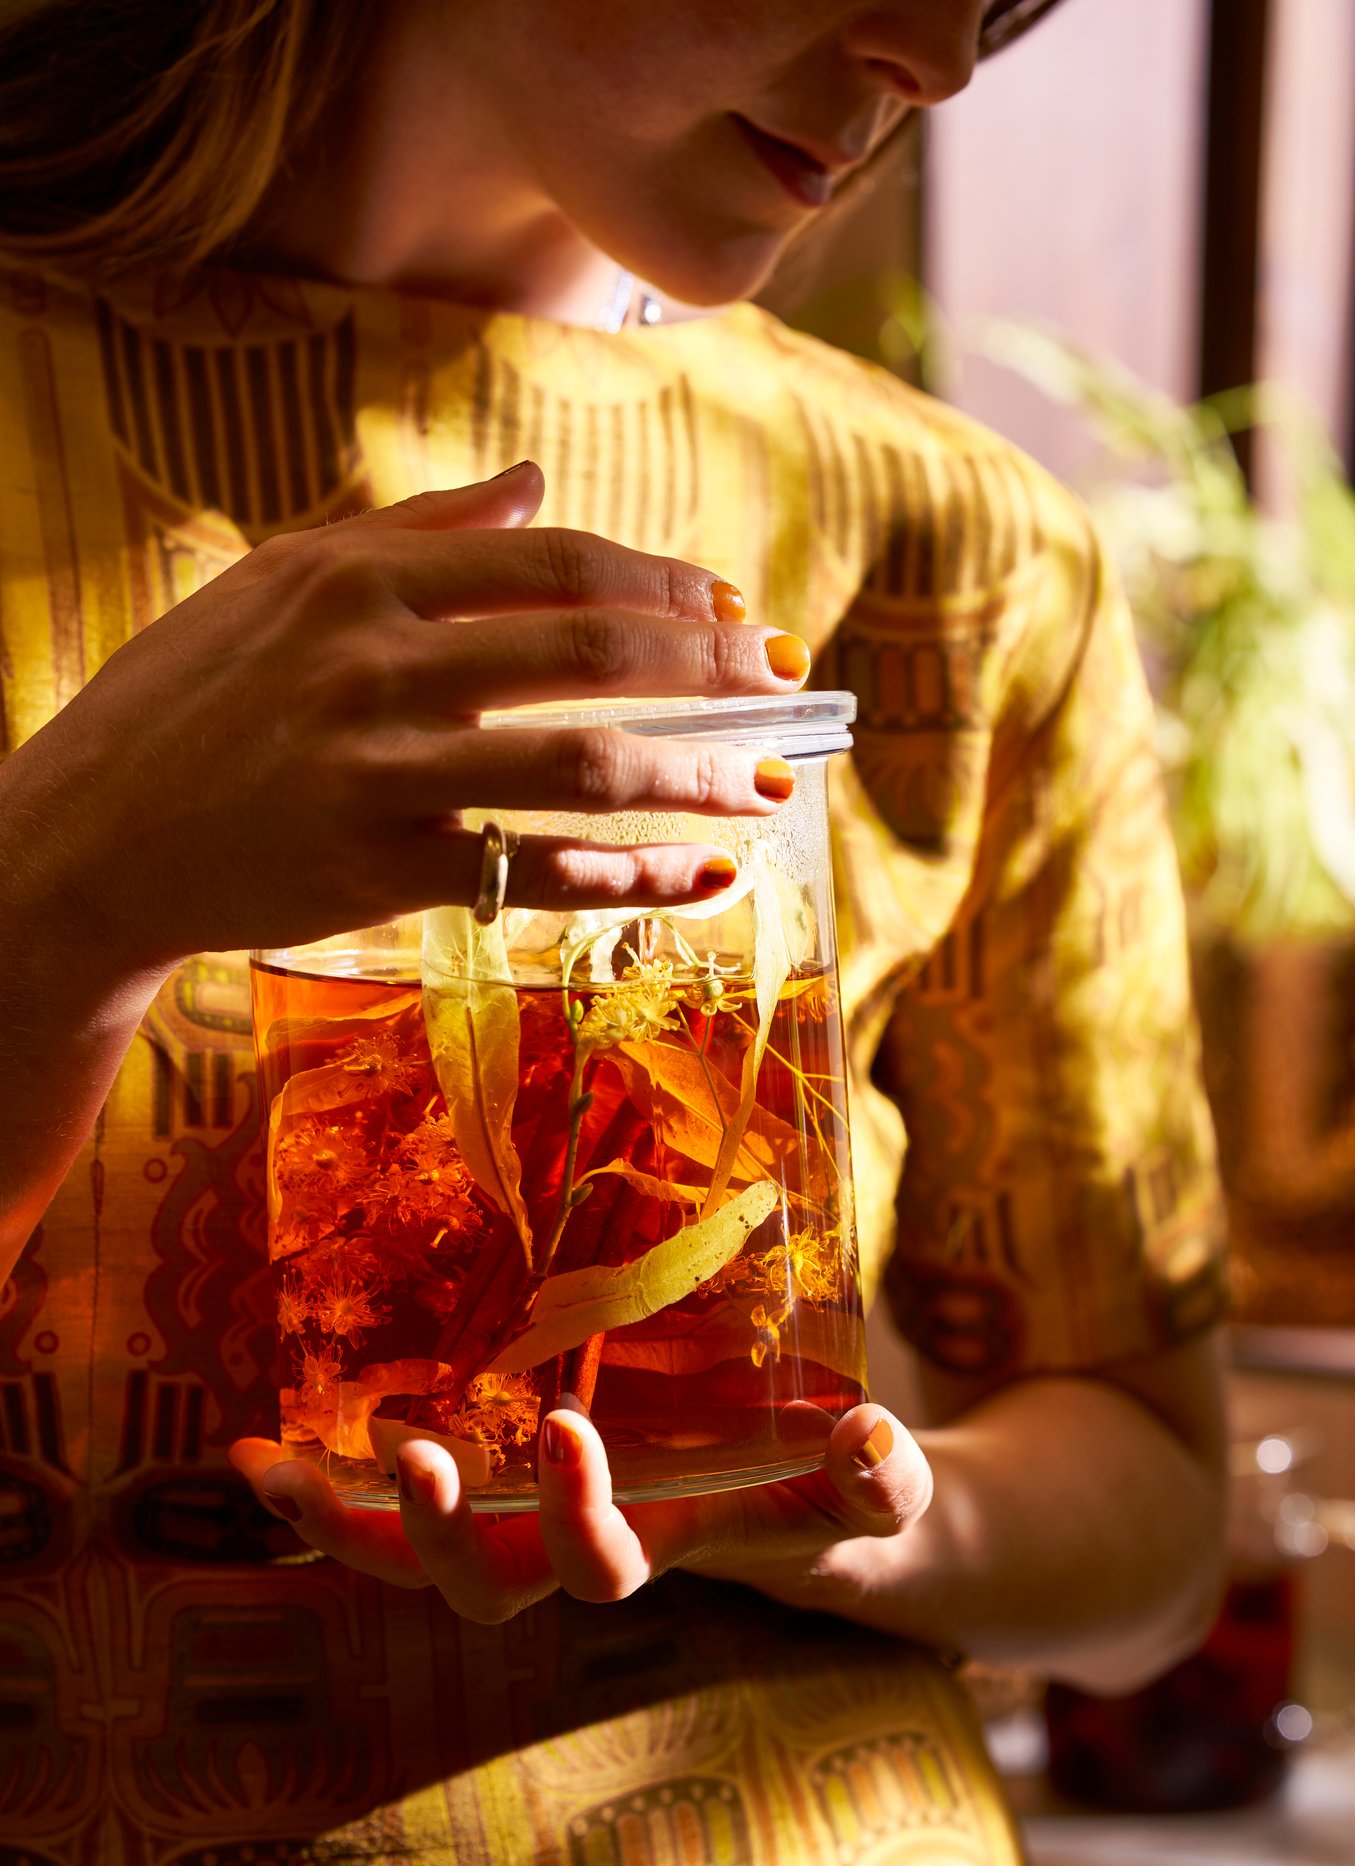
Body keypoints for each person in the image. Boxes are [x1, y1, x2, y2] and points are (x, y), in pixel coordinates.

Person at [0, 2, 1228, 1861]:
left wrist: (829, 1509)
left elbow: (1153, 1529)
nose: (939, 54)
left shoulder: (967, 551)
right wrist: (66, 893)